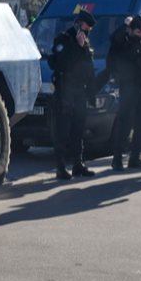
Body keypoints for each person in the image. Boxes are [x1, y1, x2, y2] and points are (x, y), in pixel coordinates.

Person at [102, 15, 141, 171]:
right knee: (125, 123)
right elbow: (114, 39)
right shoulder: (121, 42)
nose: (139, 35)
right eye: (137, 31)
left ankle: (135, 157)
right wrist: (126, 24)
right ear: (130, 30)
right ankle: (117, 159)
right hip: (128, 88)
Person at [49, 10, 98, 179]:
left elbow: (87, 67)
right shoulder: (64, 40)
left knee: (79, 129)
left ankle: (78, 164)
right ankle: (61, 167)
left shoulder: (84, 43)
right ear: (78, 24)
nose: (88, 30)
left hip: (79, 92)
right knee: (63, 130)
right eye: (86, 26)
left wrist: (91, 91)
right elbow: (62, 64)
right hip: (65, 91)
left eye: (90, 28)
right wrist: (77, 46)